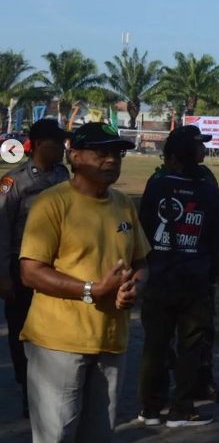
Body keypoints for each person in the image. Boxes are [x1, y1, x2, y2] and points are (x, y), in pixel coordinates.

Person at [18, 122, 150, 443]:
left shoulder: (123, 204)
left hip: (111, 342)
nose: (111, 160)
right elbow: (30, 271)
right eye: (101, 152)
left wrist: (135, 287)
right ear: (74, 156)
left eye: (117, 153)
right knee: (56, 436)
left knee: (99, 435)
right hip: (58, 344)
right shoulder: (52, 203)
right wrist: (92, 290)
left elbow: (142, 263)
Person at [136, 129, 219, 427]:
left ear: (172, 159)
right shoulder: (208, 189)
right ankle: (181, 408)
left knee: (155, 346)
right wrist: (217, 269)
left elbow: (143, 230)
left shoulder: (156, 185)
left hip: (159, 278)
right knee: (189, 347)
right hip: (193, 280)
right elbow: (217, 236)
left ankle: (150, 408)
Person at [0, 118, 71, 419]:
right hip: (22, 268)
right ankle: (29, 392)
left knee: (55, 332)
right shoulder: (14, 181)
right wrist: (2, 274)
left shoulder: (64, 176)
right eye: (58, 142)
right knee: (22, 335)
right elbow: (1, 230)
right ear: (41, 144)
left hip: (59, 268)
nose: (64, 148)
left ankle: (55, 390)